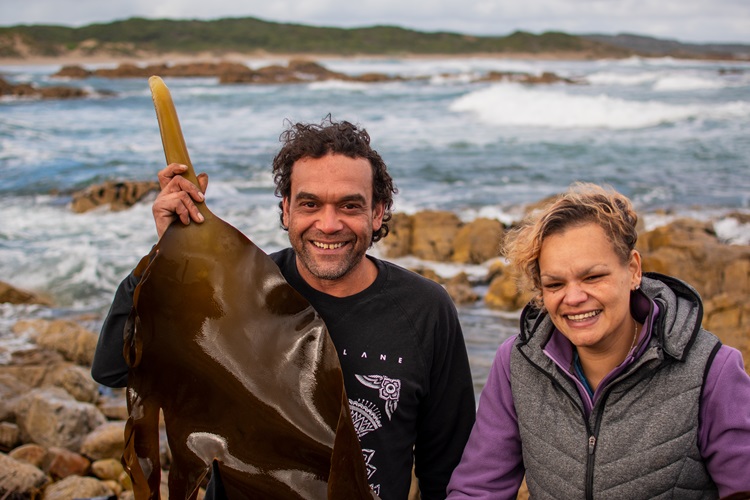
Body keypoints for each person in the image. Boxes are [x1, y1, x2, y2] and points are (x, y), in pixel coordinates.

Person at [92, 117, 476, 499]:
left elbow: (447, 463)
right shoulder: (234, 294)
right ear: (286, 210)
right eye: (310, 204)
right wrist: (167, 255)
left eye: (349, 205)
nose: (328, 224)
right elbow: (114, 368)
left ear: (377, 212)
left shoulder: (425, 309)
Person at [446, 183, 750, 499]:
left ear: (633, 270)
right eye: (555, 284)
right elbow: (479, 488)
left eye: (593, 277)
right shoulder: (517, 363)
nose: (574, 297)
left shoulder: (711, 368)